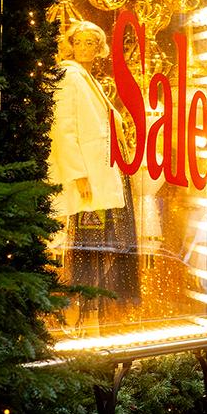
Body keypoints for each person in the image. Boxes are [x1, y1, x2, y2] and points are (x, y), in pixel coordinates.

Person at [48, 20, 140, 332]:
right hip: (88, 181)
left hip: (103, 177)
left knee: (101, 247)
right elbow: (63, 128)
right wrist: (78, 174)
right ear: (70, 44)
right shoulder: (68, 76)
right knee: (89, 247)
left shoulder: (89, 79)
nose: (86, 48)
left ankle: (93, 315)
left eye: (92, 42)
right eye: (81, 42)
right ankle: (80, 315)